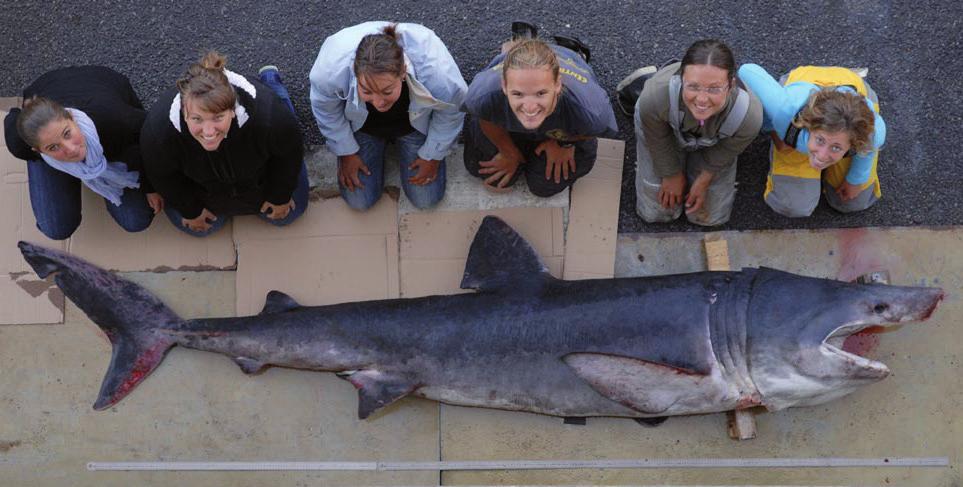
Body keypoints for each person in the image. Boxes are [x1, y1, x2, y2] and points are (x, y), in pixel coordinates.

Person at [141, 51, 309, 237]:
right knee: (203, 230)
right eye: (197, 119)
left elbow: (289, 154)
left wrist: (280, 196)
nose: (208, 132)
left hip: (260, 179)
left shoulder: (271, 119)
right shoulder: (159, 133)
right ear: (184, 113)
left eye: (218, 117)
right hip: (208, 190)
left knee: (290, 214)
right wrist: (191, 211)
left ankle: (273, 84)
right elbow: (162, 175)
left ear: (233, 110)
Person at [310, 21, 467, 210]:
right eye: (367, 91)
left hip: (412, 125)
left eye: (386, 91)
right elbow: (326, 110)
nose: (378, 103)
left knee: (426, 200)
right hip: (363, 126)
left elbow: (451, 112)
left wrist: (432, 155)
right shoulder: (328, 73)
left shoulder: (439, 76)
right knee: (359, 201)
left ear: (402, 72)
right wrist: (346, 151)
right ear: (354, 73)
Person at [3, 66, 161, 240]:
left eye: (67, 133)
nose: (70, 149)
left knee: (135, 220)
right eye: (53, 147)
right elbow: (13, 117)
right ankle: (64, 160)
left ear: (72, 117)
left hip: (99, 83)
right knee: (56, 228)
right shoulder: (20, 144)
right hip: (46, 90)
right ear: (37, 150)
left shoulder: (116, 121)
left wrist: (150, 186)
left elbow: (150, 137)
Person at [462, 36, 618, 196]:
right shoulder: (482, 96)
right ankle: (521, 42)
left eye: (541, 93)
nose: (529, 108)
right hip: (521, 112)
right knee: (478, 168)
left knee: (544, 186)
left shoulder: (591, 110)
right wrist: (509, 152)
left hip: (564, 123)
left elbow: (588, 132)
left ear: (558, 85)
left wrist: (563, 144)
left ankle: (571, 52)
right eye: (518, 94)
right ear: (504, 86)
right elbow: (486, 118)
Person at [632, 39, 763, 227]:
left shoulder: (749, 116)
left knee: (710, 218)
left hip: (715, 142)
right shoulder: (654, 97)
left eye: (714, 89)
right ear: (680, 79)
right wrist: (670, 174)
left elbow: (725, 152)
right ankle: (640, 82)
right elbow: (658, 137)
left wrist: (703, 180)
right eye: (693, 86)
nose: (702, 100)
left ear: (731, 84)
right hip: (666, 129)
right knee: (657, 213)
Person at [737, 63, 885, 217]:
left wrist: (855, 180)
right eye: (820, 140)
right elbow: (747, 70)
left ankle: (868, 95)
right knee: (793, 206)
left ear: (855, 142)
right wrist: (773, 128)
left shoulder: (873, 131)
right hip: (804, 80)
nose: (821, 156)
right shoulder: (786, 111)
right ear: (809, 125)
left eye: (835, 147)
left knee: (853, 203)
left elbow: (869, 148)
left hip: (851, 85)